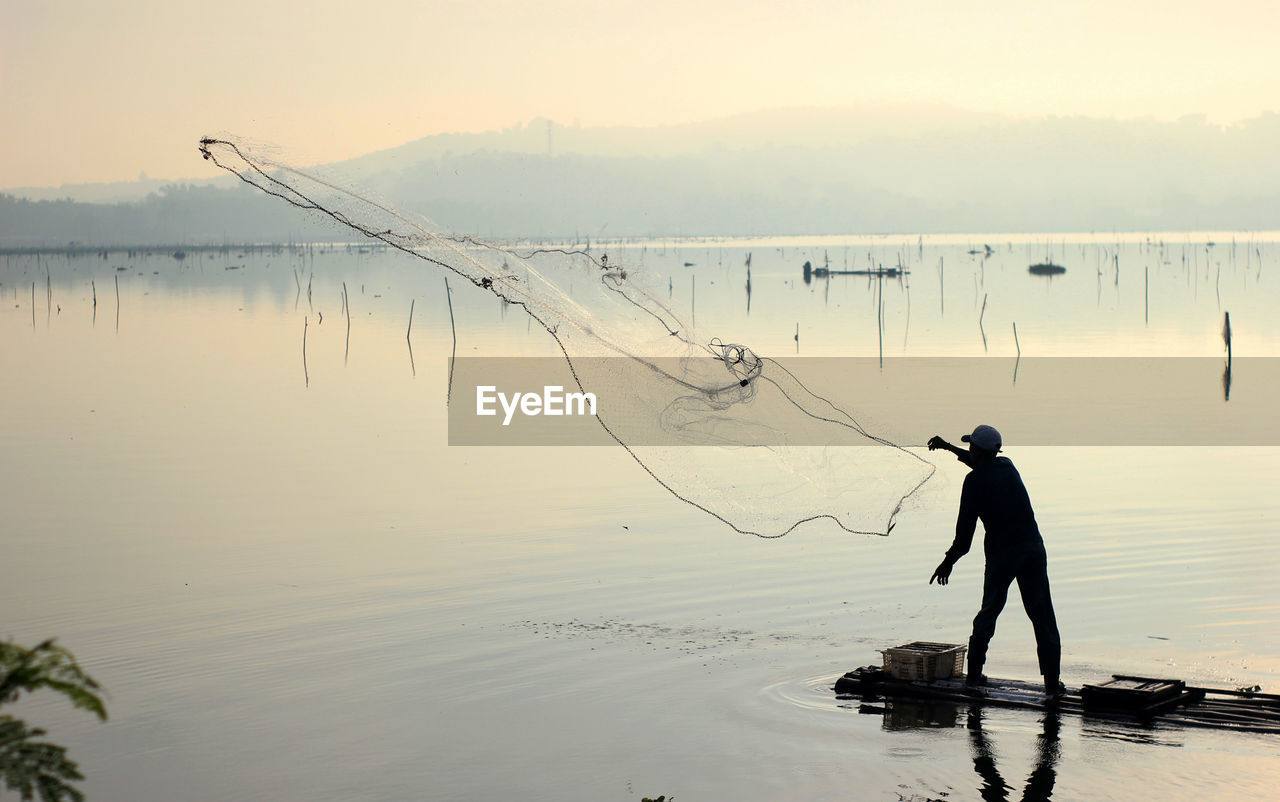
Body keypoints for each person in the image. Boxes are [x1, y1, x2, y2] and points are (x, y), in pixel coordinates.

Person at [927, 425, 1063, 698]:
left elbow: (964, 539)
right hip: (1033, 549)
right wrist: (948, 448)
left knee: (989, 611)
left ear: (977, 450)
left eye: (970, 448)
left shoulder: (973, 483)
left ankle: (974, 676)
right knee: (1043, 616)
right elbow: (979, 464)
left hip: (1004, 554)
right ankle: (1051, 683)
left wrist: (947, 562)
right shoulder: (1007, 466)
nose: (969, 451)